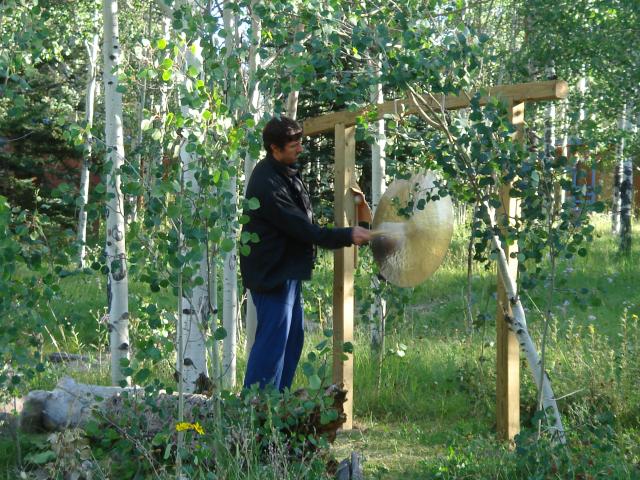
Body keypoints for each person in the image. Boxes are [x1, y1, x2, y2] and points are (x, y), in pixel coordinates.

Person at [240, 115, 371, 391]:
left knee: (292, 339)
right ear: (275, 148)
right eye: (293, 145)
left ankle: (278, 402)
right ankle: (255, 412)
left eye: (300, 142)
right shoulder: (267, 183)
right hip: (271, 275)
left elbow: (304, 221)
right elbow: (302, 227)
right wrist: (348, 235)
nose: (300, 148)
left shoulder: (284, 172)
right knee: (272, 343)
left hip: (286, 272)